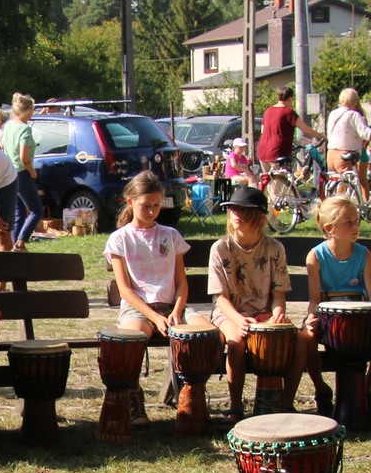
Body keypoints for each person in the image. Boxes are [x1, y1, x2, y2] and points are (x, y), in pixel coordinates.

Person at [207, 186, 300, 418]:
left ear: (260, 216)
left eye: (243, 210)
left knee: (298, 340)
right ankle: (235, 405)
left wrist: (278, 313)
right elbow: (220, 299)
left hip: (263, 312)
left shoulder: (275, 248)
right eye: (233, 209)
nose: (236, 214)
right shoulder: (220, 248)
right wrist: (239, 320)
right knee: (236, 341)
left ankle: (286, 404)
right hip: (229, 313)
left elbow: (279, 295)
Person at [300, 195, 371, 417]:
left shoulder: (364, 255)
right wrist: (311, 318)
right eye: (349, 223)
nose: (356, 226)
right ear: (329, 228)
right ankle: (321, 388)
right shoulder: (316, 256)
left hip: (360, 320)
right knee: (305, 338)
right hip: (328, 319)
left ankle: (365, 387)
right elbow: (314, 299)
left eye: (357, 220)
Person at [106, 171, 189, 336]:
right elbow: (125, 290)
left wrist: (177, 312)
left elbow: (181, 283)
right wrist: (155, 317)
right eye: (146, 205)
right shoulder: (119, 238)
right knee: (132, 338)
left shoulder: (170, 235)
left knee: (205, 334)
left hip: (172, 306)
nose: (152, 211)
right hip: (137, 309)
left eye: (157, 205)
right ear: (131, 202)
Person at [0, 94, 41, 250]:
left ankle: (13, 248)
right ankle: (20, 243)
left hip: (9, 173)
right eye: (32, 110)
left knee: (19, 212)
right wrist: (33, 172)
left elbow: (2, 145)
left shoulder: (8, 125)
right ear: (27, 110)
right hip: (21, 173)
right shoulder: (25, 129)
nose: (33, 113)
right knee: (36, 210)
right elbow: (24, 158)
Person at [258, 86, 321, 173]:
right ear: (290, 98)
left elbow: (263, 131)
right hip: (276, 152)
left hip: (262, 150)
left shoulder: (268, 110)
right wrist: (322, 136)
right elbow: (306, 129)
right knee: (280, 182)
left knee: (268, 181)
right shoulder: (288, 112)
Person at [325, 88, 371, 193]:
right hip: (347, 154)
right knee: (357, 182)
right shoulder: (355, 115)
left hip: (331, 154)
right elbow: (366, 134)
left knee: (341, 181)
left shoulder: (333, 114)